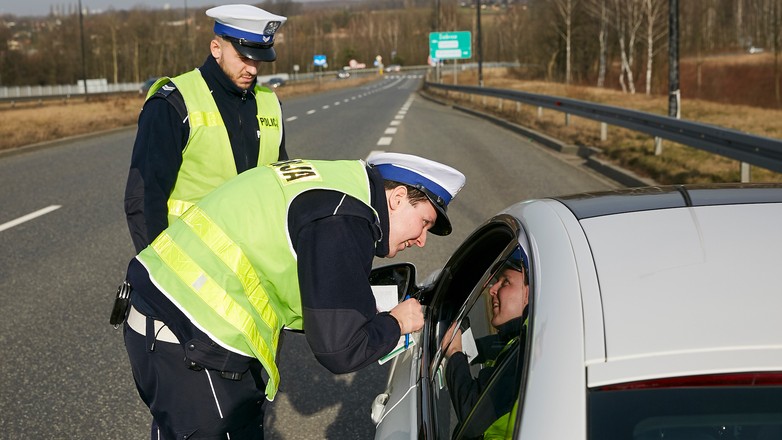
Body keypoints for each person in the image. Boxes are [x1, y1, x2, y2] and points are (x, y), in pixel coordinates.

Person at [121, 152, 466, 439]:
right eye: (424, 223)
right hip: (191, 335)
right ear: (397, 197)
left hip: (164, 316)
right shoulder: (346, 219)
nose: (421, 240)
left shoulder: (341, 183)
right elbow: (340, 350)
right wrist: (396, 322)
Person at [124, 4, 289, 253]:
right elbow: (145, 197)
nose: (253, 69)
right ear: (216, 49)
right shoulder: (174, 102)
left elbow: (280, 186)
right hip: (190, 263)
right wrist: (157, 270)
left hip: (255, 260)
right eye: (244, 58)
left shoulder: (269, 102)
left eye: (259, 60)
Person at [441, 245, 530, 439]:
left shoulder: (524, 353)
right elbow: (491, 346)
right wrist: (466, 345)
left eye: (505, 282)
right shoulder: (521, 337)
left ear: (528, 294)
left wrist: (455, 352)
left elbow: (471, 409)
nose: (493, 290)